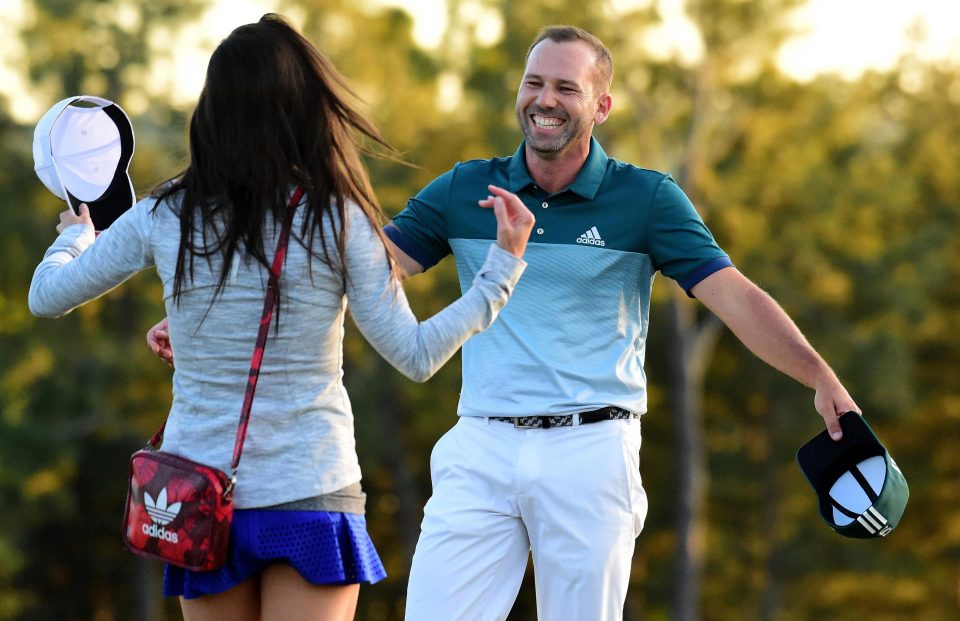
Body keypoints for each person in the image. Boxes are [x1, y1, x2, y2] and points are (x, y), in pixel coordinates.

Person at [149, 24, 859, 621]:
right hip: (479, 446)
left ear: (601, 105)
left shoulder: (646, 200)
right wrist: (211, 322)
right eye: (533, 83)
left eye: (565, 88)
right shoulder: (464, 189)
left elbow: (734, 295)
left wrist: (818, 373)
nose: (544, 100)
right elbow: (341, 273)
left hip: (592, 448)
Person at [28, 14, 533, 621]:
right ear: (302, 108)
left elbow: (47, 295)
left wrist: (76, 236)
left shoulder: (166, 215)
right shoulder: (337, 219)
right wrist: (499, 271)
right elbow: (417, 355)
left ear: (212, 111)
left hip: (200, 496)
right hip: (311, 495)